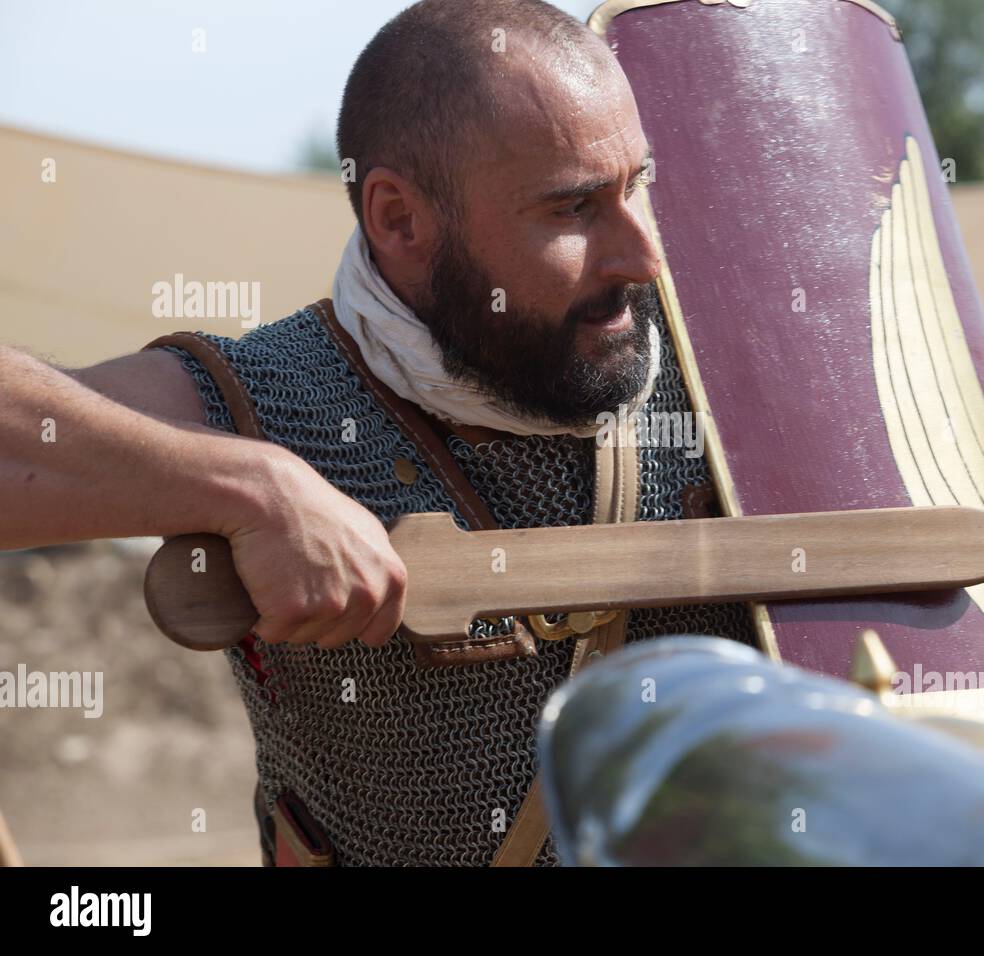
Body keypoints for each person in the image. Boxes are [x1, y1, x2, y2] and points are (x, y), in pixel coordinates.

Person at [0, 0, 756, 866]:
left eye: (637, 186)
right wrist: (250, 485)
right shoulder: (274, 402)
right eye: (574, 209)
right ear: (399, 219)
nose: (640, 257)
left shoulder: (730, 373)